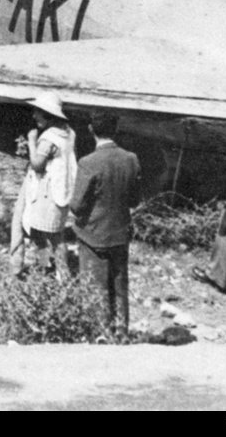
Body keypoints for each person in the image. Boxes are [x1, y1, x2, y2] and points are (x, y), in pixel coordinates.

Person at [69, 111, 141, 333]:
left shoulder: (88, 162)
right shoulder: (131, 159)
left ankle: (99, 332)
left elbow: (76, 205)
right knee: (119, 283)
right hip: (120, 231)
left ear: (91, 129)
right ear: (115, 130)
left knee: (95, 284)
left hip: (93, 233)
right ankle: (121, 330)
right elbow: (134, 200)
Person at [11, 92, 78, 279]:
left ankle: (56, 272)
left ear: (48, 114)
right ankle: (52, 269)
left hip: (49, 194)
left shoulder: (48, 139)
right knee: (50, 233)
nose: (34, 116)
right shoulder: (68, 132)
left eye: (37, 112)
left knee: (48, 235)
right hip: (62, 190)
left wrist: (32, 141)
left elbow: (37, 164)